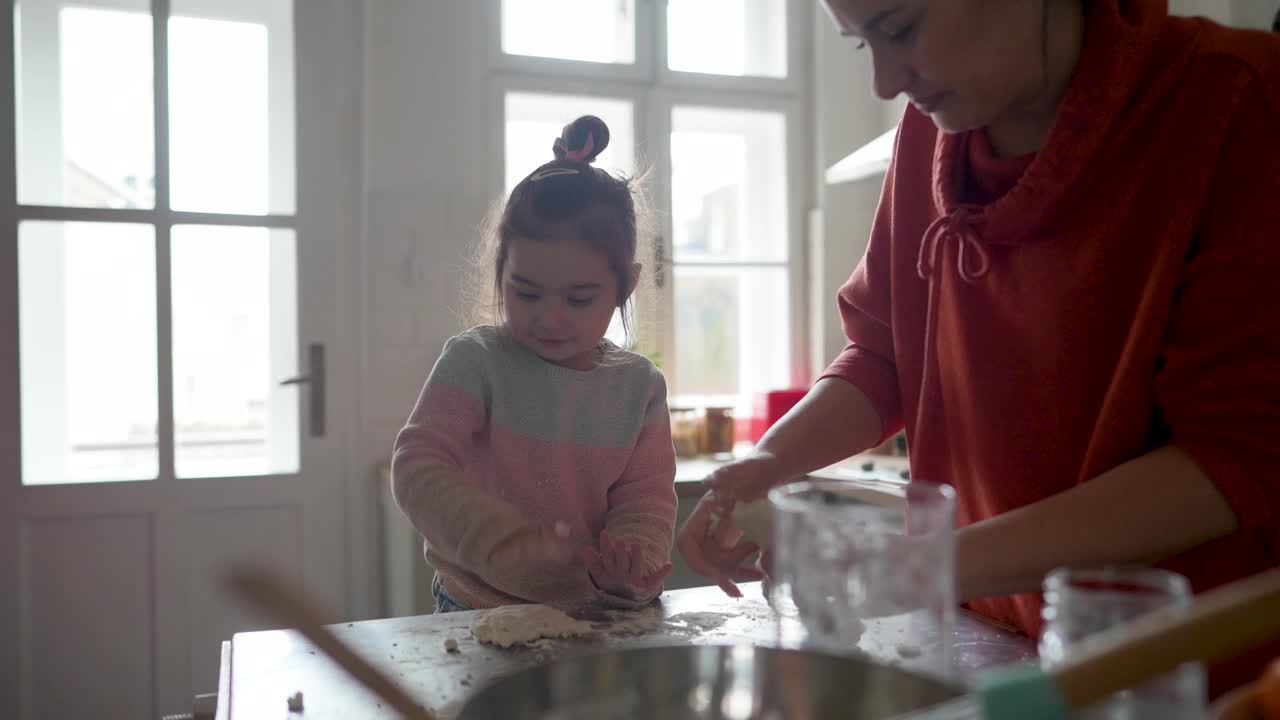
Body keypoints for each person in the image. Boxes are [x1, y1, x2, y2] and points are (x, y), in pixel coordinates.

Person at [678, 0, 1280, 695]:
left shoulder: (1235, 104)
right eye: (859, 44)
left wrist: (924, 567)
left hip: (1184, 678)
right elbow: (884, 357)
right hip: (1002, 651)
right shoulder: (926, 132)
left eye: (899, 29)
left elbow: (1238, 454)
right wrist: (765, 462)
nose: (883, 80)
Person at [392, 116, 677, 612]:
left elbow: (646, 503)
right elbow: (418, 467)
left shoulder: (640, 388)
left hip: (595, 611)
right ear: (500, 274)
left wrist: (631, 560)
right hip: (475, 607)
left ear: (624, 288)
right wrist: (504, 541)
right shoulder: (475, 361)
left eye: (578, 298)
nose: (549, 318)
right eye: (525, 292)